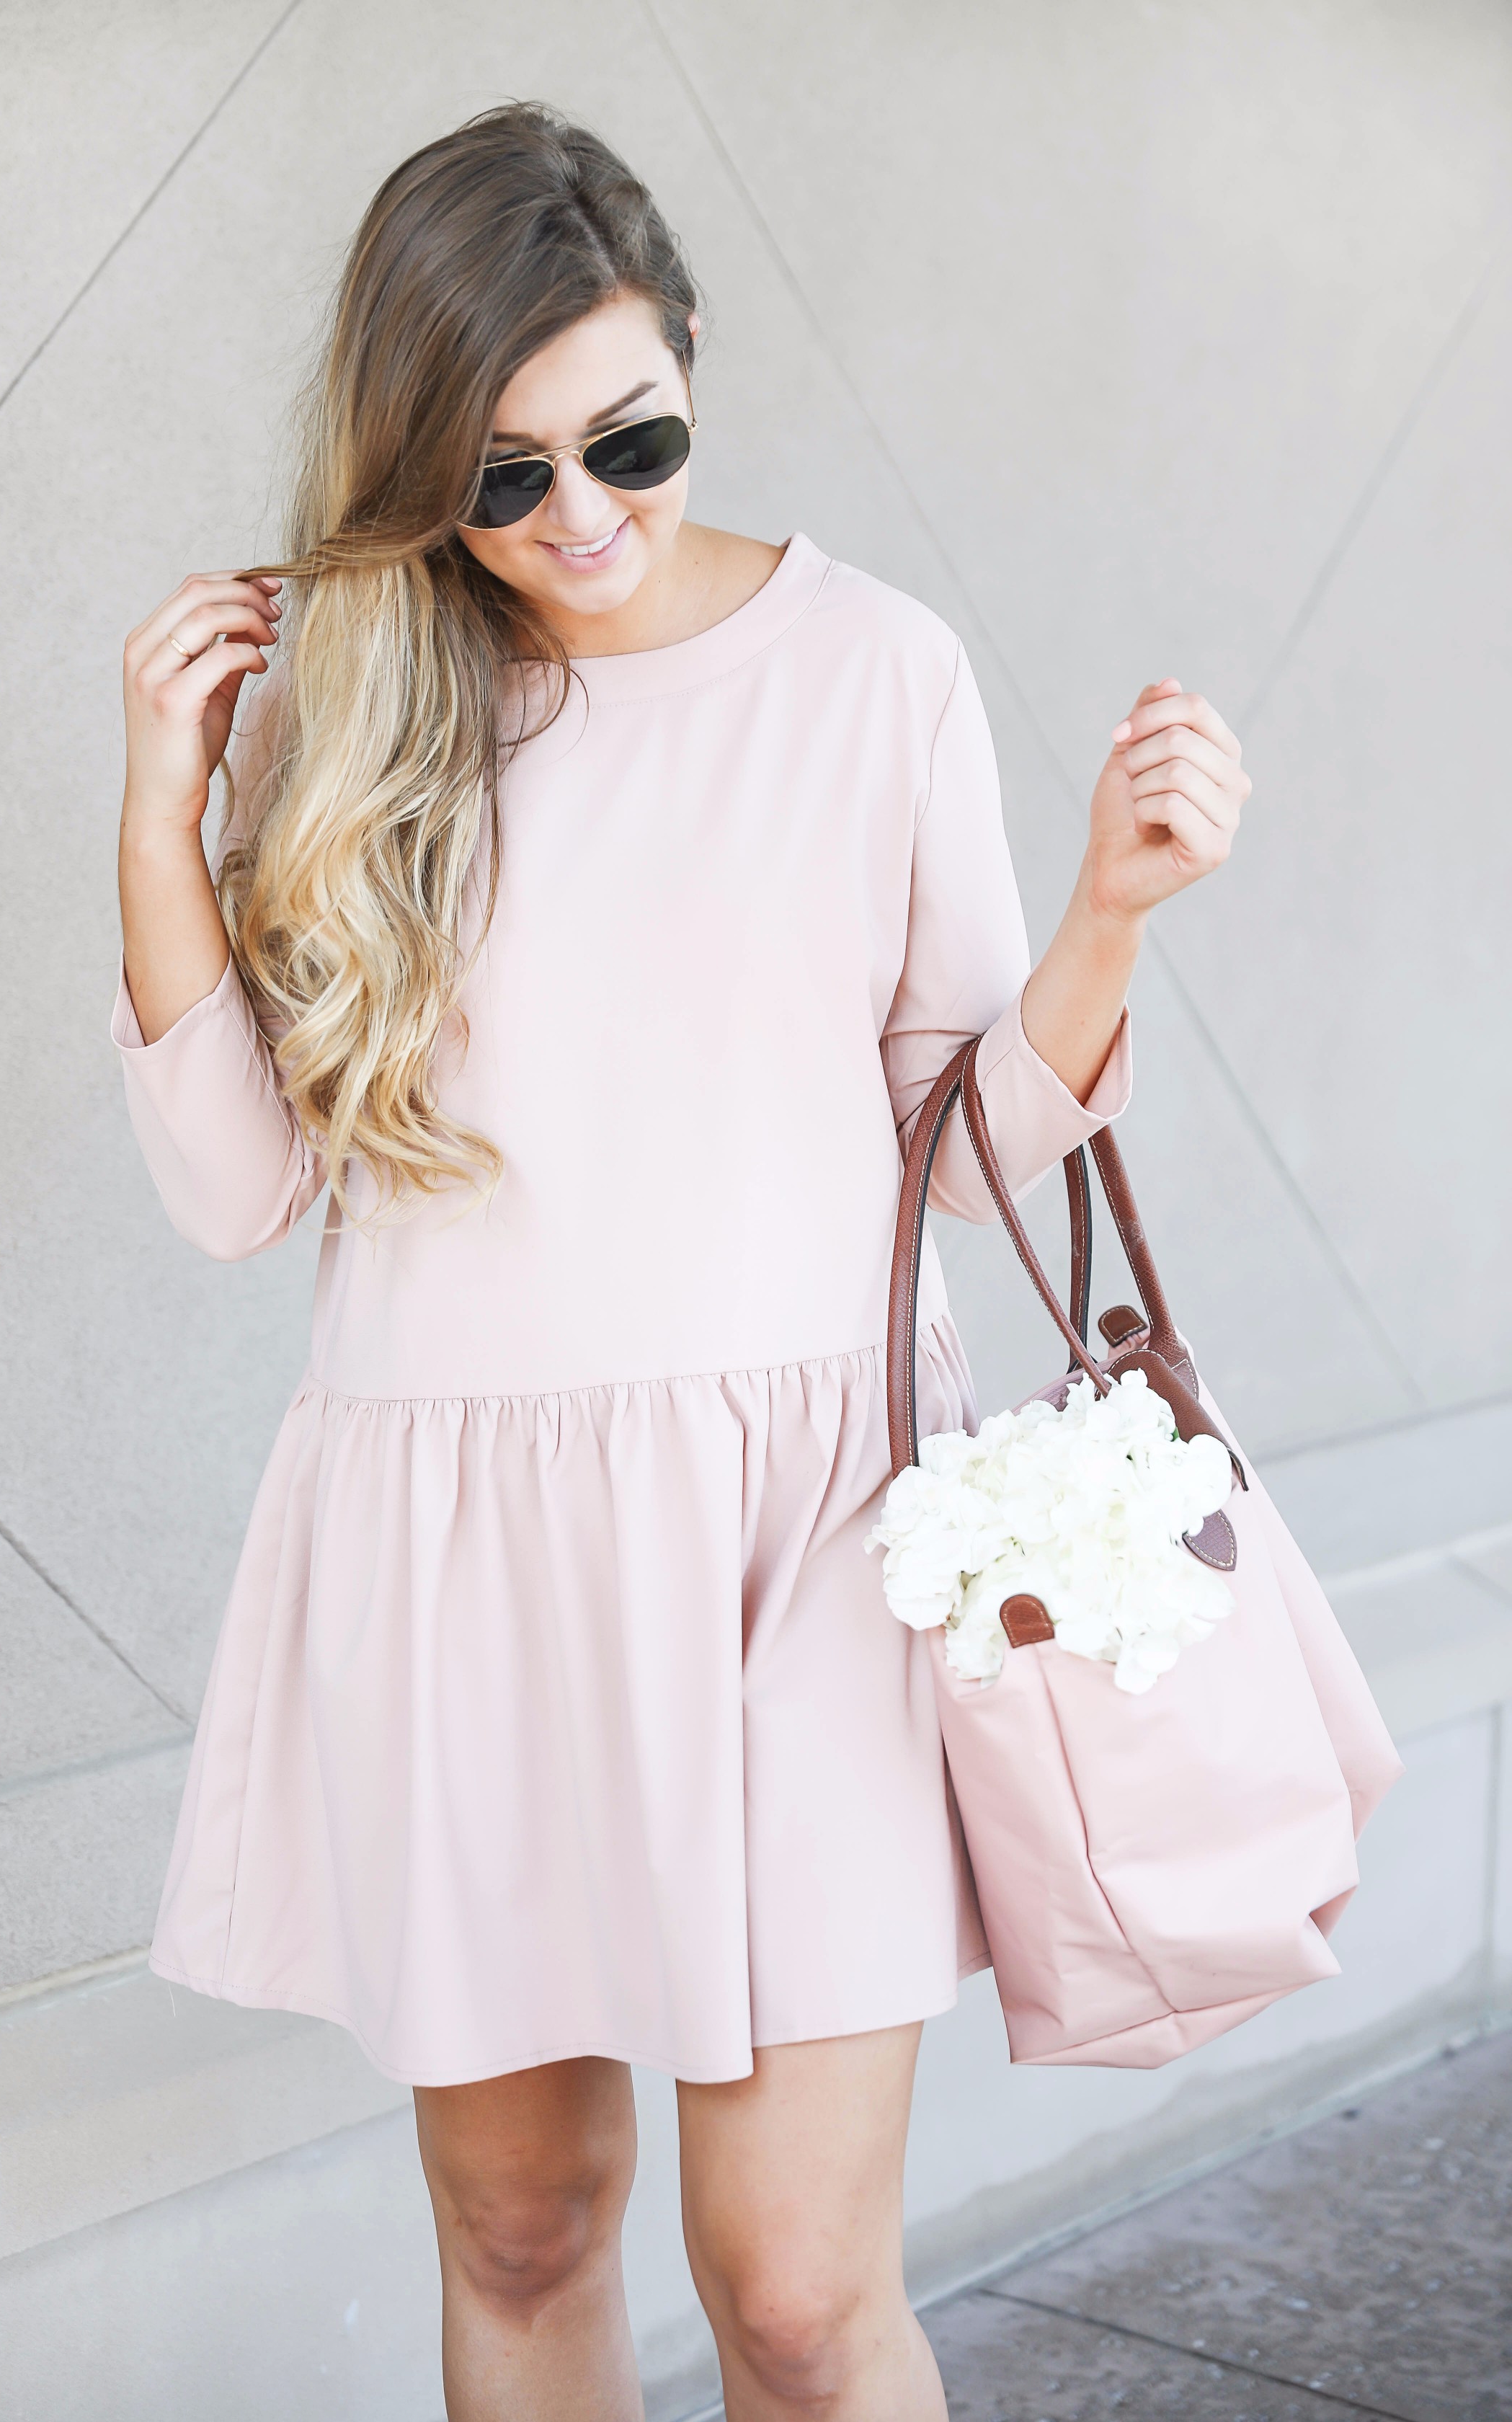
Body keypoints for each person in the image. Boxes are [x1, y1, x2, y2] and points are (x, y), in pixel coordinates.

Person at [114, 102, 1248, 2422]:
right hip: (463, 1538)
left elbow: (964, 1155)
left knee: (804, 2306)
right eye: (502, 474)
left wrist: (1108, 920)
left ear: (695, 359)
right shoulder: (368, 704)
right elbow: (237, 1195)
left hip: (802, 1534)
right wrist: (162, 803)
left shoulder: (874, 670)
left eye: (626, 436)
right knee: (527, 2228)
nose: (580, 518)